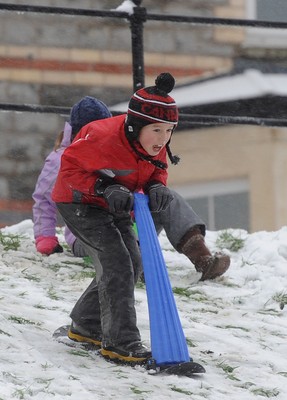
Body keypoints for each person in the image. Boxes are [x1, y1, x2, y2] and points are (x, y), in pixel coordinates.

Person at [51, 72, 230, 365]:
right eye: (156, 131)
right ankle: (121, 343)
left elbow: (156, 169)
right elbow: (68, 172)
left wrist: (156, 185)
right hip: (79, 201)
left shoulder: (154, 145)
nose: (163, 139)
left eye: (169, 130)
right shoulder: (101, 137)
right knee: (117, 262)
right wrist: (104, 187)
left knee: (132, 260)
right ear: (134, 126)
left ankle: (85, 325)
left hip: (118, 204)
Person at [32, 96, 112, 257]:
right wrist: (45, 238)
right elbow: (44, 201)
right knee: (114, 246)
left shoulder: (113, 155)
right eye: (93, 133)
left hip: (121, 228)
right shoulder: (60, 161)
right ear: (78, 133)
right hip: (84, 237)